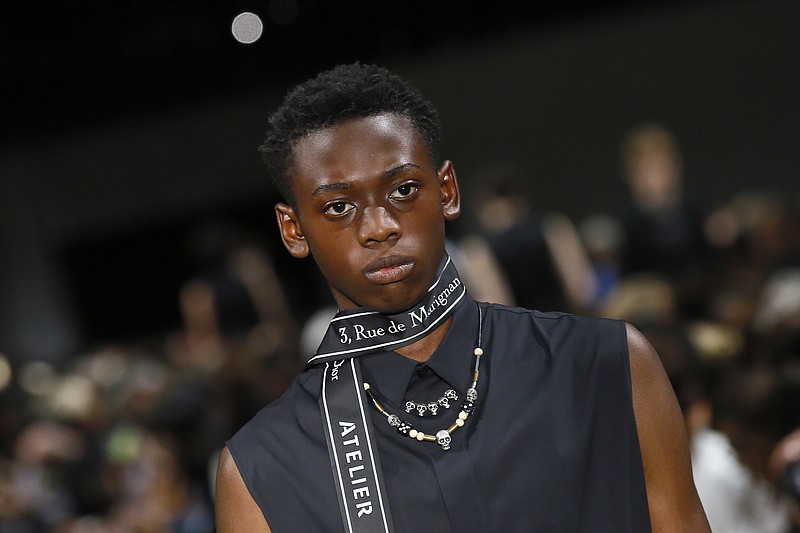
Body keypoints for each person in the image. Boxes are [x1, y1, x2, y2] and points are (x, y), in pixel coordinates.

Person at [214, 63, 710, 532]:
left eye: (404, 190)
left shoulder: (609, 365)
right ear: (293, 229)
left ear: (447, 190)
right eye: (339, 206)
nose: (380, 226)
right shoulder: (263, 469)